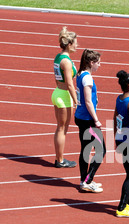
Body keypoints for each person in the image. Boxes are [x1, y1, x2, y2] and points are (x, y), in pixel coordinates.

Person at [74, 49, 105, 193]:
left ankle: (84, 180)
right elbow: (88, 101)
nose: (100, 65)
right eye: (98, 62)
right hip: (88, 119)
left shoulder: (80, 74)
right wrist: (96, 120)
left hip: (81, 116)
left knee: (86, 150)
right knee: (101, 150)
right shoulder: (87, 78)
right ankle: (88, 180)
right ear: (91, 63)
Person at [51, 27, 78, 168]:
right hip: (64, 96)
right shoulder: (66, 62)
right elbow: (69, 83)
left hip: (57, 92)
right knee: (62, 128)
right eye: (75, 43)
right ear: (69, 44)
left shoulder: (58, 57)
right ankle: (60, 160)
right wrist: (76, 100)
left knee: (60, 127)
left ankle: (59, 158)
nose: (77, 46)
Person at [114, 70, 129, 218]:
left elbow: (115, 117)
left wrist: (115, 139)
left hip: (121, 139)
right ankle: (122, 207)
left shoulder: (119, 99)